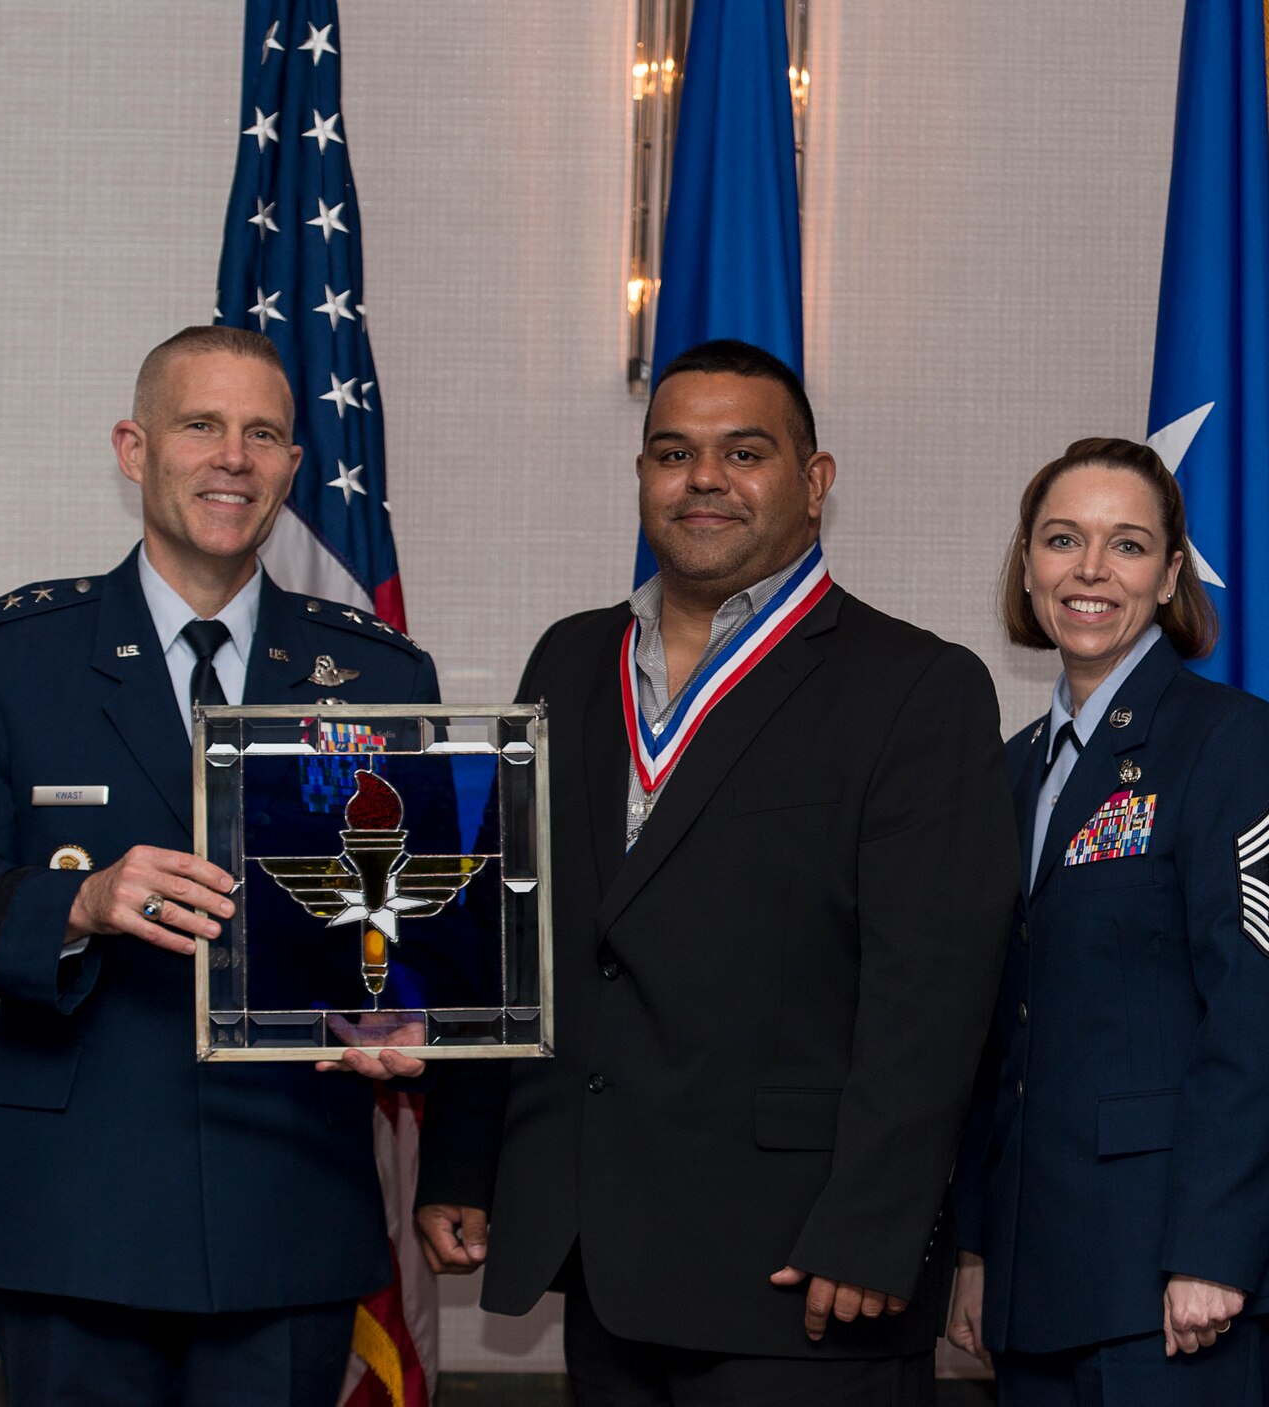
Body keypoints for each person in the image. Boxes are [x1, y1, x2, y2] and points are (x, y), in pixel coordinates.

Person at [413, 338, 1019, 1405]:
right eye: (671, 452)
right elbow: (510, 933)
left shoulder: (916, 686)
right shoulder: (567, 658)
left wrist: (872, 1229)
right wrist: (465, 1158)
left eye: (744, 452)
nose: (703, 479)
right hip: (598, 1256)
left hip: (803, 1271)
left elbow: (932, 996)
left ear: (813, 481)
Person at [0, 326, 438, 1407]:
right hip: (72, 1210)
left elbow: (411, 918)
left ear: (291, 469)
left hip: (289, 1206)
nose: (233, 456)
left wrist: (402, 1005)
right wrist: (76, 901)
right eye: (201, 426)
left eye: (263, 433)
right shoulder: (14, 657)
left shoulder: (374, 675)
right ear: (135, 449)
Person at [944, 438, 1269, 1404]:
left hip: (1180, 1268)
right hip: (1039, 1272)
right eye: (1062, 539)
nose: (1089, 570)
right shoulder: (1012, 768)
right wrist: (976, 1248)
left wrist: (1212, 1247)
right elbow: (996, 1039)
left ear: (1169, 575)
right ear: (1028, 565)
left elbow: (1255, 1011)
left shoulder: (1229, 740)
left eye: (1126, 546)